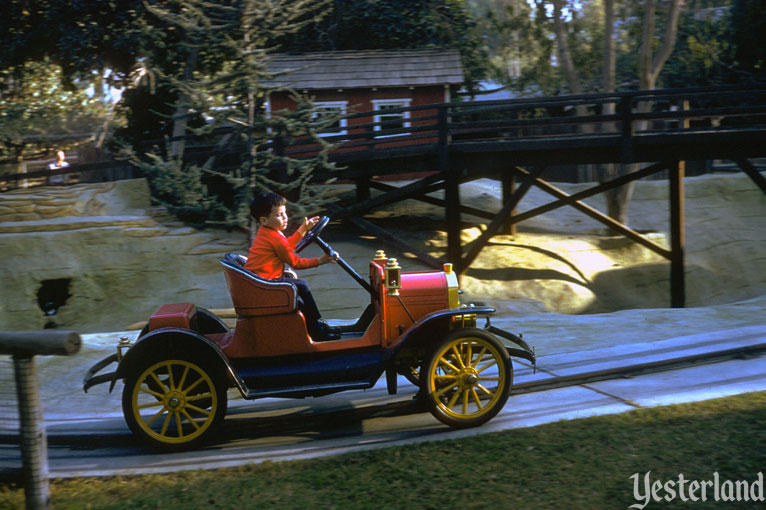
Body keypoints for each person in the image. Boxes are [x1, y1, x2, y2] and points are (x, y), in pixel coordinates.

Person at [245, 191, 340, 341]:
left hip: (262, 281)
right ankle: (316, 328)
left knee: (300, 291)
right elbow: (296, 263)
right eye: (279, 215)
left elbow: (287, 245)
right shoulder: (275, 237)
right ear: (264, 220)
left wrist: (303, 229)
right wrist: (320, 261)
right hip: (265, 284)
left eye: (284, 213)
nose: (284, 218)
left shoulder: (268, 232)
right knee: (302, 285)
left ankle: (313, 325)